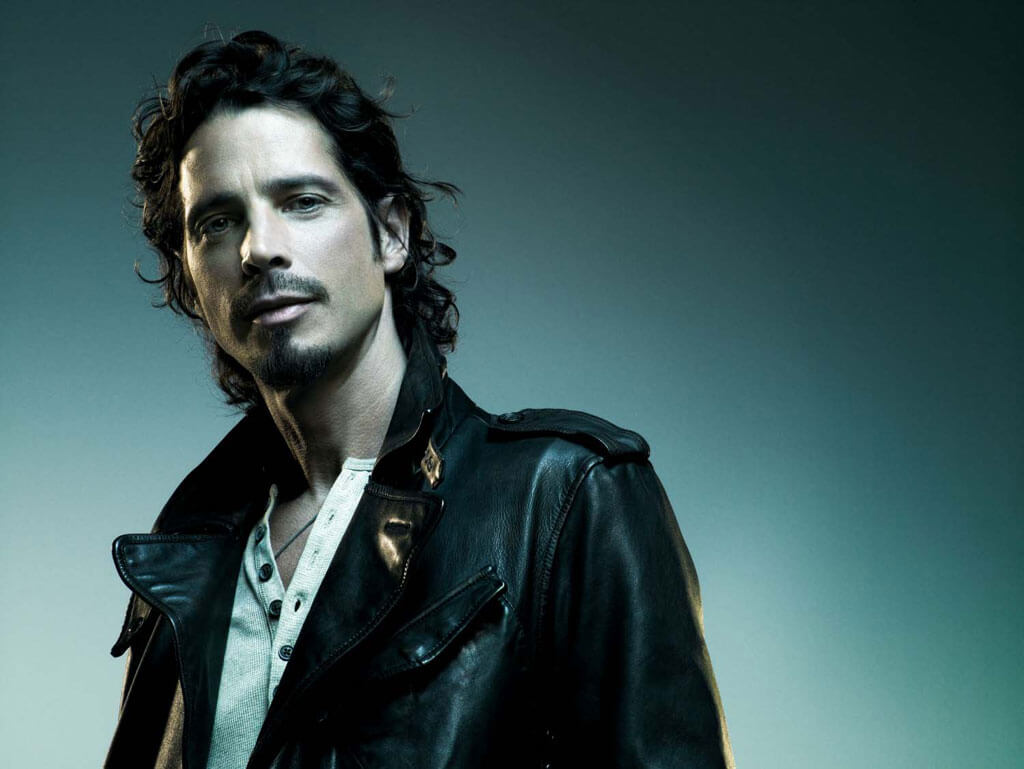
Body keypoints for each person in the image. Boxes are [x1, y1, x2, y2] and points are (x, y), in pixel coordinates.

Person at [106, 30, 734, 769]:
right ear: (189, 277)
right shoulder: (183, 549)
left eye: (302, 202)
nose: (258, 248)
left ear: (392, 234)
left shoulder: (567, 501)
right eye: (217, 222)